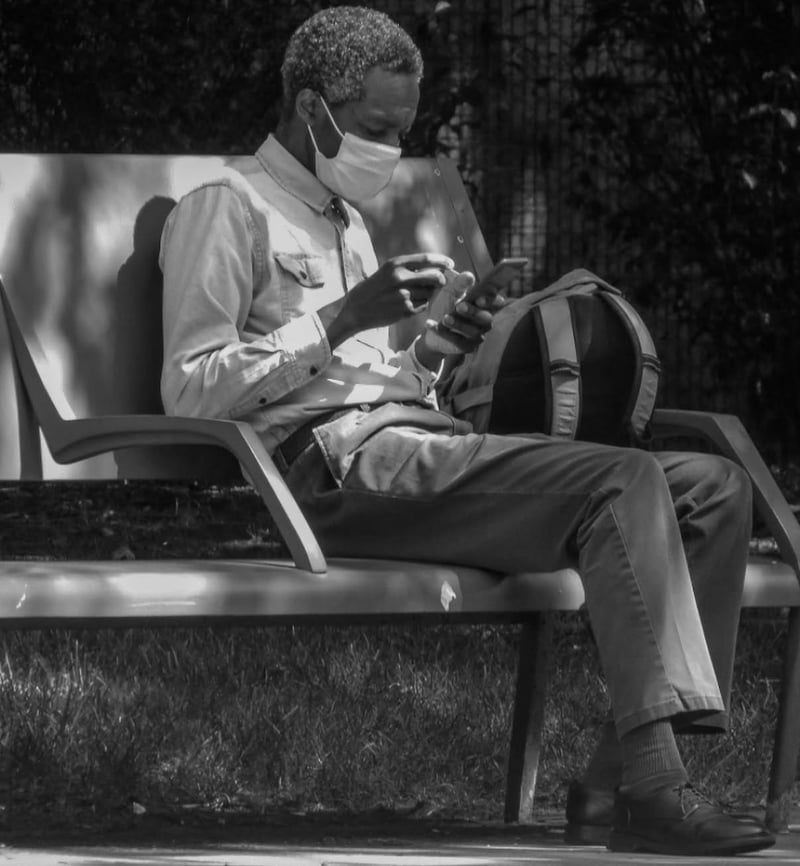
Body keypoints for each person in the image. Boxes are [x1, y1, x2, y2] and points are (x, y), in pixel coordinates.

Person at [158, 5, 775, 857]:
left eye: (403, 130)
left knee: (713, 488)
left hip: (409, 445)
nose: (389, 148)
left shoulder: (344, 217)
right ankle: (660, 791)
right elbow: (191, 392)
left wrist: (445, 342)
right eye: (377, 127)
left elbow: (380, 384)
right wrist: (338, 318)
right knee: (621, 480)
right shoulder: (227, 208)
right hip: (327, 477)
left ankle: (610, 781)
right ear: (311, 107)